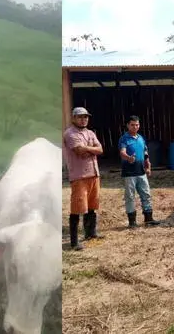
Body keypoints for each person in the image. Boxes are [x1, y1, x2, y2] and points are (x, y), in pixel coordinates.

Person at [63, 107, 104, 251]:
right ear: (74, 118)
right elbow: (79, 152)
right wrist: (91, 148)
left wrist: (88, 149)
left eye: (86, 117)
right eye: (80, 117)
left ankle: (90, 233)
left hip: (93, 173)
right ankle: (74, 242)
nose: (84, 119)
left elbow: (100, 149)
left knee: (92, 205)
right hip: (79, 176)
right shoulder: (69, 134)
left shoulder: (90, 133)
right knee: (77, 208)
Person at [118, 115, 160, 228]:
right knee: (130, 197)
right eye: (132, 125)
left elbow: (145, 153)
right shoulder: (124, 139)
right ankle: (132, 222)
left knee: (146, 194)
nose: (135, 127)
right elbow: (122, 152)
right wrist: (128, 158)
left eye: (137, 125)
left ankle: (148, 219)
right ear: (128, 125)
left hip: (141, 172)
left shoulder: (141, 138)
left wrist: (148, 165)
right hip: (129, 173)